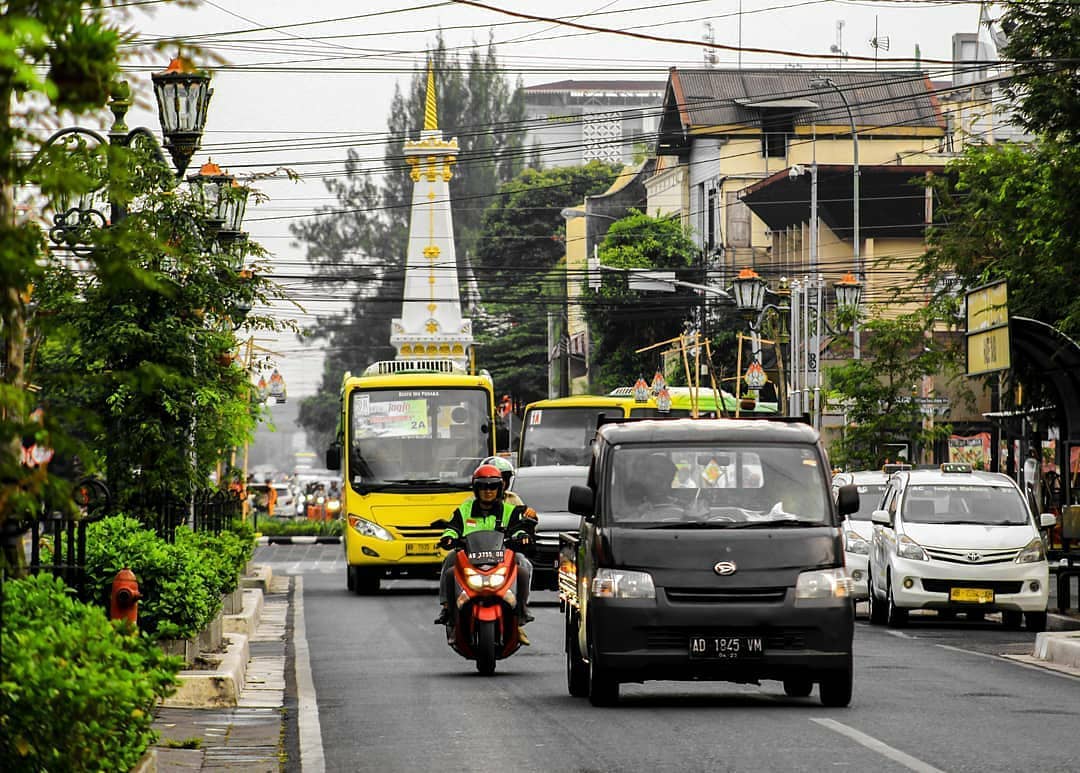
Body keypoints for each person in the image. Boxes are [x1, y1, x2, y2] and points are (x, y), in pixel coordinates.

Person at [434, 463, 536, 644]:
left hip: (501, 558)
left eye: (492, 487)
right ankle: (448, 609)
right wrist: (449, 538)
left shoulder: (510, 510)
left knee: (523, 565)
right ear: (476, 488)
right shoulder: (465, 509)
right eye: (483, 487)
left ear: (500, 488)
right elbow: (453, 527)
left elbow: (518, 528)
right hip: (471, 558)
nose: (488, 491)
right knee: (450, 563)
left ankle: (521, 610)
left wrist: (522, 537)